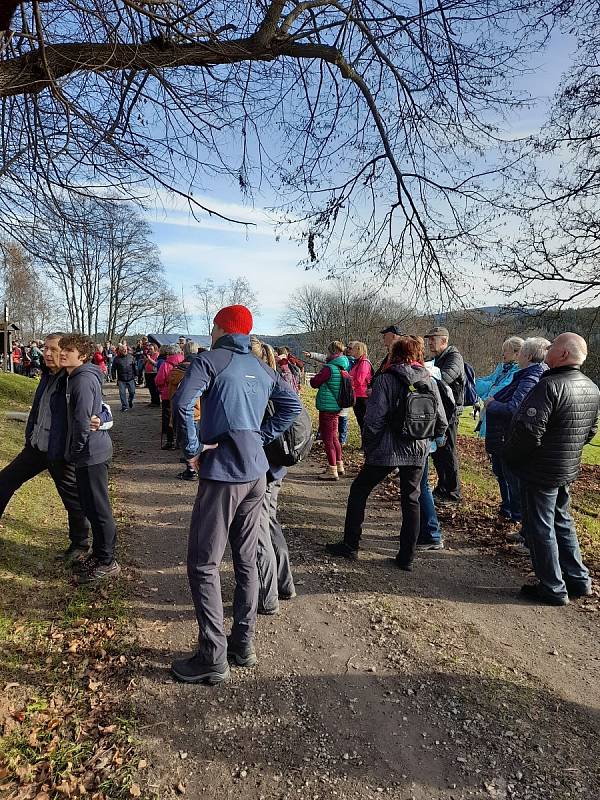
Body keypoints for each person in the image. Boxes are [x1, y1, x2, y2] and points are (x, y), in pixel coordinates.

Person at [170, 305, 301, 685]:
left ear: (220, 328)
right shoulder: (262, 367)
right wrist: (259, 436)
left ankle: (213, 656)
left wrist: (192, 448)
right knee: (246, 560)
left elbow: (181, 403)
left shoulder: (210, 361)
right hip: (256, 473)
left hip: (224, 474)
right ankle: (243, 644)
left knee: (204, 563)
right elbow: (292, 405)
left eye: (212, 326)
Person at [326, 336, 447, 567]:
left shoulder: (385, 380)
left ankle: (350, 545)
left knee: (360, 489)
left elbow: (373, 419)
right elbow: (441, 419)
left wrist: (370, 444)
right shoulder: (429, 381)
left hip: (386, 448)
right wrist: (426, 441)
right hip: (417, 449)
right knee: (411, 500)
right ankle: (406, 557)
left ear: (395, 354)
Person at [503, 333, 599, 606]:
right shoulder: (591, 387)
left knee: (540, 527)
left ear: (564, 354)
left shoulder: (550, 386)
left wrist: (511, 457)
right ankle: (579, 580)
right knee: (562, 521)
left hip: (540, 470)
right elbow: (589, 432)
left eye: (553, 345)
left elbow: (528, 431)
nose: (548, 348)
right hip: (565, 468)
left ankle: (553, 587)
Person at [0, 333, 111, 564]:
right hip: (36, 447)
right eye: (46, 349)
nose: (49, 354)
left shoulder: (73, 377)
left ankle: (80, 544)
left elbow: (101, 408)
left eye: (55, 350)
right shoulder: (48, 375)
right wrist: (30, 434)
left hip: (60, 451)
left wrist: (100, 418)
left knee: (72, 500)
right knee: (5, 480)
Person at [59, 334, 120, 584]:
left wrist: (75, 452)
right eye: (62, 349)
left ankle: (108, 561)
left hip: (91, 454)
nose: (62, 353)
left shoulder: (82, 379)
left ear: (82, 356)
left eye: (68, 350)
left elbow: (83, 421)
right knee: (90, 507)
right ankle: (98, 553)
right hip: (88, 453)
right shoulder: (75, 377)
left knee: (98, 508)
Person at [251, 338, 297, 615]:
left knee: (259, 532)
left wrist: (259, 437)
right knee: (269, 524)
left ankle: (267, 598)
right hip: (277, 465)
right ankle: (285, 584)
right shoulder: (278, 378)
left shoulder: (260, 384)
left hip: (266, 466)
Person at [484, 337, 549, 533]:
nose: (517, 356)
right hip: (503, 435)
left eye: (520, 353)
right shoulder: (525, 375)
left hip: (508, 435)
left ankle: (517, 517)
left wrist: (492, 404)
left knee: (512, 477)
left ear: (528, 356)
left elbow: (515, 409)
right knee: (503, 473)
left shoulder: (530, 378)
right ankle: (510, 511)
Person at [424, 326, 464, 503]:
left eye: (433, 339)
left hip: (449, 413)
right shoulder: (437, 358)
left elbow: (445, 378)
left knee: (447, 451)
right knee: (438, 452)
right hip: (438, 412)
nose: (429, 343)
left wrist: (427, 377)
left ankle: (453, 491)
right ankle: (442, 486)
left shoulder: (454, 358)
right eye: (429, 339)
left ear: (444, 340)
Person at [309, 341, 349, 481]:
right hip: (337, 407)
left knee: (328, 439)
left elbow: (314, 383)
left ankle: (332, 469)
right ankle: (339, 464)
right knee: (334, 437)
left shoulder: (329, 368)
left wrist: (316, 376)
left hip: (327, 407)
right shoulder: (343, 366)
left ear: (331, 352)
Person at [168, 341, 204, 480]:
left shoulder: (176, 370)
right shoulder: (202, 370)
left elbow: (172, 393)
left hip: (184, 410)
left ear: (184, 352)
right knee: (198, 440)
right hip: (200, 410)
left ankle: (191, 470)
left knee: (187, 440)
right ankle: (197, 467)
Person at [475, 336, 524, 437]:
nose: (503, 354)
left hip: (500, 419)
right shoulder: (501, 368)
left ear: (516, 353)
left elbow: (499, 391)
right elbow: (478, 384)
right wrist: (490, 387)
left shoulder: (518, 372)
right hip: (489, 415)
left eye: (505, 351)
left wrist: (488, 391)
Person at [155, 344, 184, 449]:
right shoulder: (184, 362)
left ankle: (170, 441)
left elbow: (159, 380)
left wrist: (161, 388)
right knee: (181, 417)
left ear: (168, 354)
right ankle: (180, 441)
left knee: (168, 418)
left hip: (167, 394)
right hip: (182, 394)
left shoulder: (166, 364)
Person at [348, 341, 372, 432]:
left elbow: (359, 380)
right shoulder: (357, 362)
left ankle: (367, 443)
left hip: (362, 396)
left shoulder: (364, 362)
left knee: (363, 421)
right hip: (357, 394)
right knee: (360, 421)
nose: (351, 351)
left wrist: (349, 384)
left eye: (353, 349)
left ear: (358, 350)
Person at [113, 343, 137, 411]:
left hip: (130, 378)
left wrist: (136, 374)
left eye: (126, 349)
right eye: (123, 350)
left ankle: (130, 400)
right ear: (120, 351)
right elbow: (113, 369)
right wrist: (114, 377)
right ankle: (124, 406)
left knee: (132, 392)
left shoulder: (131, 357)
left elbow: (134, 366)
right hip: (121, 379)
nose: (125, 351)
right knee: (122, 393)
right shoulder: (116, 359)